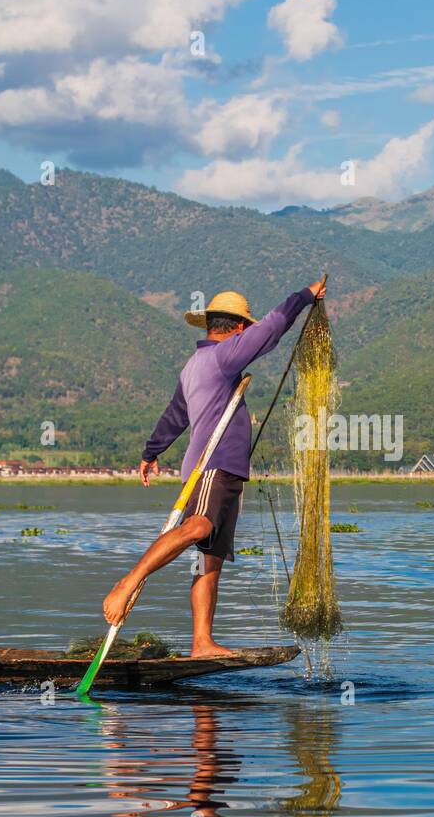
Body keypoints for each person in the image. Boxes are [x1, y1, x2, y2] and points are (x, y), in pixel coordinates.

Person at [102, 279, 326, 654]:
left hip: (227, 470)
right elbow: (272, 328)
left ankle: (202, 642)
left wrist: (150, 452)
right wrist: (304, 296)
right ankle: (129, 581)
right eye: (245, 328)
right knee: (199, 527)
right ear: (237, 327)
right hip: (213, 466)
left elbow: (175, 416)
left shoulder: (194, 365)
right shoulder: (223, 357)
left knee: (211, 559)